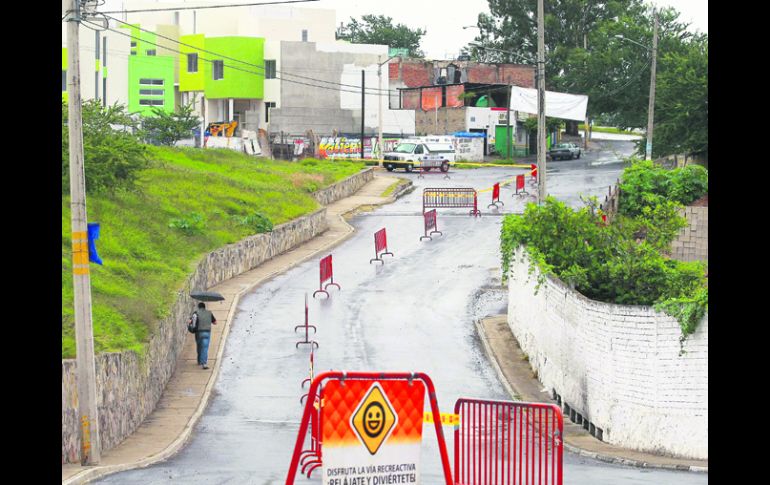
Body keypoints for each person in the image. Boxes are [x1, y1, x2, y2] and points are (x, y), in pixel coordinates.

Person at [189, 302, 217, 369]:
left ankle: (199, 361)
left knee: (199, 346)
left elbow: (190, 321)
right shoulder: (209, 313)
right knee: (205, 347)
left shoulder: (196, 313)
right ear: (204, 307)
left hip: (198, 332)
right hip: (207, 332)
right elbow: (215, 322)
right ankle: (204, 363)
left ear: (199, 307)